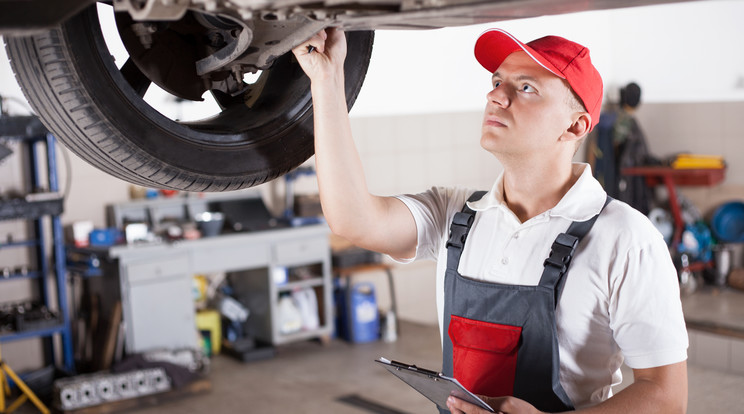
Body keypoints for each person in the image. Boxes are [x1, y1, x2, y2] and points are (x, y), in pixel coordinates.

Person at [292, 27, 688, 414]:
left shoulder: (625, 238)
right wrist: (326, 80)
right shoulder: (456, 214)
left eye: (526, 87)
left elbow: (666, 397)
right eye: (498, 81)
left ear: (575, 125)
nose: (495, 95)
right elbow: (352, 219)